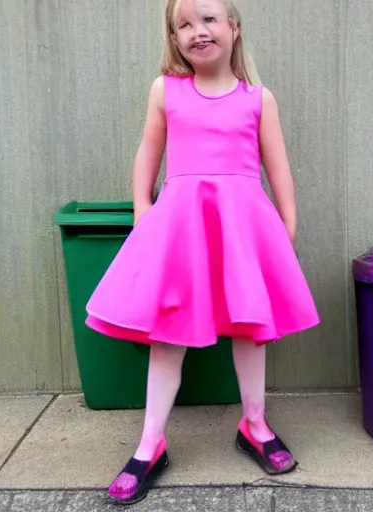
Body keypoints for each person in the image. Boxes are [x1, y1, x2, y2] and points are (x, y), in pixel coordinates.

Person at [85, 0, 320, 505]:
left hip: (243, 232)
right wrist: (144, 215)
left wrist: (287, 229)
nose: (198, 31)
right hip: (181, 230)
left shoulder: (259, 99)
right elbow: (148, 156)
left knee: (250, 330)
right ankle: (151, 442)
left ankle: (254, 424)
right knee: (169, 331)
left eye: (209, 19)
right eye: (184, 25)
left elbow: (278, 171)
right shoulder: (165, 92)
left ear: (233, 27)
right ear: (174, 39)